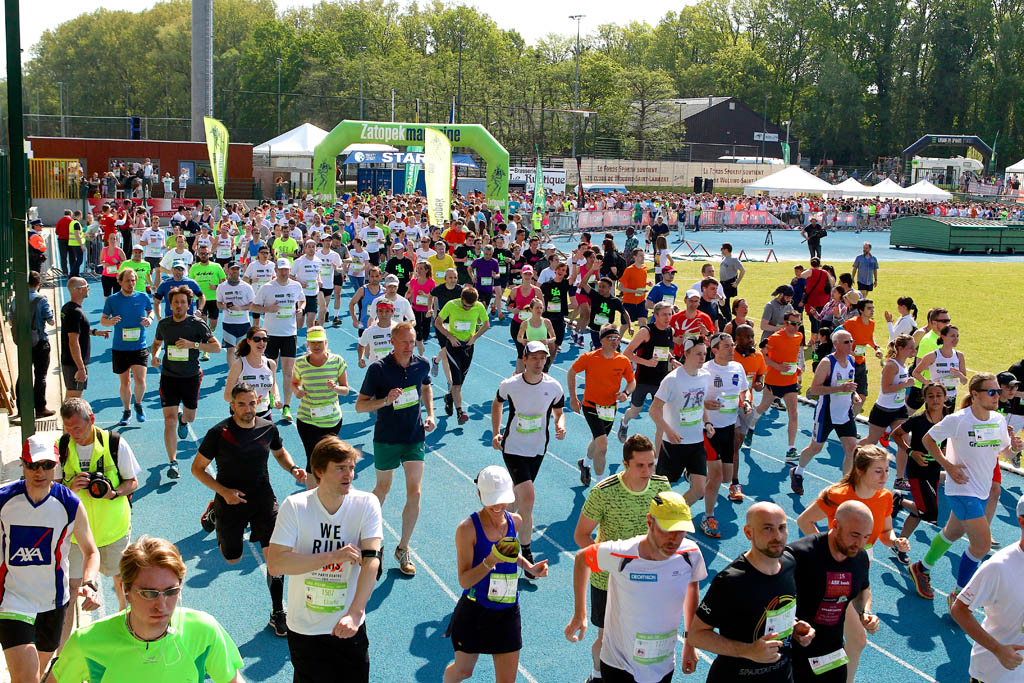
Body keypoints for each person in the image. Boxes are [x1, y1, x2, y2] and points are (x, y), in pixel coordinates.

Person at [52, 535, 245, 683]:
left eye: (171, 592)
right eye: (149, 593)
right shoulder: (86, 643)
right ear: (125, 590)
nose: (161, 605)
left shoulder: (204, 631)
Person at [193, 382, 304, 638]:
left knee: (276, 559)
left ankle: (278, 612)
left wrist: (293, 468)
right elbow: (197, 468)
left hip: (263, 498)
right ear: (232, 405)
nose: (248, 409)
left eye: (252, 403)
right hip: (229, 500)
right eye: (241, 404)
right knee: (232, 558)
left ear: (258, 402)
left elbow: (280, 453)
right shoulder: (218, 433)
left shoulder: (268, 428)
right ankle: (214, 512)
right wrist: (223, 493)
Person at [266, 436, 382, 682]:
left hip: (349, 624)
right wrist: (333, 556)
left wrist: (355, 613)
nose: (348, 475)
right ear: (318, 471)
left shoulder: (366, 503)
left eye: (351, 467)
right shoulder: (295, 506)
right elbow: (276, 564)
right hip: (305, 627)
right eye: (340, 468)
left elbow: (372, 560)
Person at [565, 491, 706, 683]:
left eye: (680, 531)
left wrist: (690, 642)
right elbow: (583, 558)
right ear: (650, 522)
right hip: (619, 663)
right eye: (667, 530)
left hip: (662, 663)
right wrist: (579, 613)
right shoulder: (622, 554)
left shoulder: (690, 554)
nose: (674, 539)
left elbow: (692, 589)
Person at [908, 373, 1023, 606]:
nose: (997, 396)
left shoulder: (998, 420)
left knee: (952, 533)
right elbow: (929, 440)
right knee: (981, 546)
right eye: (991, 392)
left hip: (982, 490)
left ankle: (921, 568)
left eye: (998, 391)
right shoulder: (958, 420)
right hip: (962, 490)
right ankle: (959, 596)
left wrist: (1014, 448)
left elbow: (1004, 453)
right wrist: (948, 466)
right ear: (975, 395)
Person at [796, 446, 909, 680]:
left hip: (859, 571)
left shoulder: (885, 497)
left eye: (887, 470)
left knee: (856, 641)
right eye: (878, 471)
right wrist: (827, 553)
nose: (885, 476)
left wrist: (895, 541)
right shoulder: (838, 494)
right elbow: (804, 520)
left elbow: (885, 532)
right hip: (834, 576)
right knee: (850, 639)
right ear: (859, 470)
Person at [0, 435, 102, 683]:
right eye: (33, 465)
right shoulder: (4, 499)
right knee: (27, 678)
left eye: (47, 465)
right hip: (13, 601)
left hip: (53, 604)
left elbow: (91, 551)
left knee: (36, 674)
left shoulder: (69, 504)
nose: (40, 472)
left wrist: (89, 583)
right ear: (22, 464)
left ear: (57, 464)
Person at [572, 435, 671, 683]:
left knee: (642, 636)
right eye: (640, 465)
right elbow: (581, 535)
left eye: (651, 465)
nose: (647, 471)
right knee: (607, 638)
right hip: (608, 581)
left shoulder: (661, 488)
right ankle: (597, 675)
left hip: (647, 578)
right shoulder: (604, 492)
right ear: (625, 464)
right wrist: (610, 561)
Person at [443, 466, 549, 683]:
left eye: (503, 500)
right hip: (475, 610)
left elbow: (510, 553)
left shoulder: (515, 521)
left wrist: (529, 567)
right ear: (480, 494)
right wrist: (489, 562)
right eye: (493, 501)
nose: (499, 506)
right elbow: (464, 580)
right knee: (463, 672)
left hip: (507, 610)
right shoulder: (467, 529)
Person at [689, 502, 816, 682]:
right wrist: (748, 651)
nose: (777, 536)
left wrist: (793, 626)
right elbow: (697, 635)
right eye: (767, 528)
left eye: (782, 528)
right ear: (749, 533)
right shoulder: (730, 581)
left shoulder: (790, 563)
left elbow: (770, 608)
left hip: (782, 676)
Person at [55, 397, 140, 648]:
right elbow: (52, 489)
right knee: (70, 592)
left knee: (123, 585)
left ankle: (129, 638)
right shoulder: (61, 446)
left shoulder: (115, 443)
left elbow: (132, 482)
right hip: (76, 536)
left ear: (91, 420)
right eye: (68, 428)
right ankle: (63, 653)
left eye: (77, 428)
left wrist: (113, 493)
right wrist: (69, 487)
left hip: (113, 532)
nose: (73, 433)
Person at [355, 322, 435, 577]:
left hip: (414, 436)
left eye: (412, 341)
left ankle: (403, 548)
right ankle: (362, 534)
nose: (409, 346)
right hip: (387, 438)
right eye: (404, 342)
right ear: (392, 342)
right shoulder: (378, 369)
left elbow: (426, 386)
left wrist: (430, 414)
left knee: (416, 492)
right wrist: (385, 401)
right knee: (383, 488)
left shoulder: (422, 364)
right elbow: (360, 406)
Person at [491, 340, 566, 578]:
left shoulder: (554, 386)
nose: (539, 362)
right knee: (529, 496)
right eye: (534, 358)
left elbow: (559, 412)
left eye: (543, 358)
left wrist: (560, 425)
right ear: (524, 359)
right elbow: (497, 403)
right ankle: (526, 552)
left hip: (537, 449)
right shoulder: (510, 384)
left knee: (516, 499)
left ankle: (499, 532)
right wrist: (496, 432)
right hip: (513, 448)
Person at [789, 501, 875, 683]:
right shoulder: (799, 554)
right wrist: (792, 625)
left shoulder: (859, 558)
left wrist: (865, 612)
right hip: (793, 652)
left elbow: (863, 589)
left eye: (866, 537)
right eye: (855, 535)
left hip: (832, 653)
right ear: (835, 525)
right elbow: (768, 596)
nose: (860, 543)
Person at [951, 492, 1024, 683]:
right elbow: (959, 609)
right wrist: (998, 649)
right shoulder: (999, 567)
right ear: (1022, 522)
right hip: (995, 674)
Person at [150, 285, 221, 480]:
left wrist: (193, 345)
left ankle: (183, 420)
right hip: (169, 377)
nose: (179, 305)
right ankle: (173, 462)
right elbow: (156, 344)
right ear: (170, 304)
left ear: (189, 305)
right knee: (169, 419)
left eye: (183, 302)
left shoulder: (197, 324)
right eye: (176, 302)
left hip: (191, 377)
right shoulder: (164, 324)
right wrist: (155, 355)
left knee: (190, 417)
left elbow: (216, 347)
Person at [790, 329, 861, 496]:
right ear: (836, 344)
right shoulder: (827, 363)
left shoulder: (851, 360)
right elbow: (814, 389)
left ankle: (845, 486)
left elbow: (849, 384)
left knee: (852, 448)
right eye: (846, 342)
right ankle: (798, 471)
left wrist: (854, 394)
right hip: (826, 414)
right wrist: (840, 388)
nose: (851, 344)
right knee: (816, 448)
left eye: (851, 341)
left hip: (844, 413)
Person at [569, 325, 636, 487]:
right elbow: (572, 372)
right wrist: (573, 397)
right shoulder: (589, 358)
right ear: (602, 341)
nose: (614, 341)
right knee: (603, 446)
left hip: (610, 408)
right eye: (610, 338)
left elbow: (632, 381)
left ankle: (585, 463)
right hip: (591, 406)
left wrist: (626, 393)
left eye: (617, 338)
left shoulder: (623, 360)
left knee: (598, 440)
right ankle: (599, 485)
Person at [650, 338, 715, 504]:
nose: (702, 358)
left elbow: (700, 403)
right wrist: (668, 430)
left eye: (704, 354)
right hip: (674, 444)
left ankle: (675, 514)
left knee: (699, 490)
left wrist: (707, 422)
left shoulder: (705, 376)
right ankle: (654, 516)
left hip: (696, 442)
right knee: (661, 493)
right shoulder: (672, 380)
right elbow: (654, 410)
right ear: (686, 353)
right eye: (698, 354)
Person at [701, 332, 752, 537]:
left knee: (725, 478)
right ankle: (708, 516)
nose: (732, 349)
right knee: (716, 478)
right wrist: (706, 404)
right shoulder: (706, 370)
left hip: (729, 426)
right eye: (727, 346)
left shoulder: (737, 367)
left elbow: (744, 390)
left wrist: (746, 401)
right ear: (714, 350)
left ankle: (696, 475)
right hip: (710, 428)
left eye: (732, 345)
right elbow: (695, 396)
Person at [890, 381, 947, 559]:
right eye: (931, 396)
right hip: (917, 471)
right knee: (928, 513)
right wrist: (910, 452)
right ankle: (900, 501)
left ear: (945, 398)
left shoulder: (948, 420)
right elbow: (895, 434)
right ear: (925, 399)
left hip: (934, 470)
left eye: (939, 395)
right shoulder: (917, 420)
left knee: (921, 512)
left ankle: (900, 544)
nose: (935, 399)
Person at [252, 258, 305, 423]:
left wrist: (300, 308)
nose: (284, 272)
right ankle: (272, 398)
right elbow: (253, 307)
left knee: (288, 372)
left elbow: (302, 300)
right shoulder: (267, 288)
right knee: (270, 371)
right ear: (275, 271)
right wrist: (269, 309)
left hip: (290, 334)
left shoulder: (296, 286)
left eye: (286, 269)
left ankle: (287, 407)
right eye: (281, 269)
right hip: (271, 335)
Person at [101, 268, 155, 427]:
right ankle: (126, 410)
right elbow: (103, 320)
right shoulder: (112, 300)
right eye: (127, 281)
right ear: (120, 282)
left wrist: (150, 319)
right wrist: (110, 322)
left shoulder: (143, 296)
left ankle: (138, 404)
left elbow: (151, 311)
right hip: (120, 347)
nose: (131, 284)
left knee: (140, 379)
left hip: (139, 346)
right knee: (125, 382)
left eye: (133, 280)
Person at [292, 326, 350, 470]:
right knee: (312, 461)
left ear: (326, 342)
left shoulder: (337, 361)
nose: (316, 346)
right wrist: (297, 392)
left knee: (328, 460)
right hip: (307, 419)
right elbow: (294, 383)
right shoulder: (300, 363)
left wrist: (336, 388)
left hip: (331, 420)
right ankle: (312, 485)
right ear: (307, 343)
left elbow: (345, 390)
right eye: (312, 342)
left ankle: (325, 485)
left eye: (319, 342)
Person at [436, 286, 490, 424]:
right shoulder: (451, 305)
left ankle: (449, 397)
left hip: (468, 347)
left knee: (460, 382)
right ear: (461, 299)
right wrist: (450, 337)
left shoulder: (478, 306)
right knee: (457, 382)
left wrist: (475, 337)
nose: (468, 308)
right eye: (465, 306)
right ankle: (460, 412)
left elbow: (486, 324)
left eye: (470, 306)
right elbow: (438, 323)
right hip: (453, 347)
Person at [758, 309, 804, 459]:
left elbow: (792, 356)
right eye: (793, 323)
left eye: (798, 323)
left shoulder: (799, 336)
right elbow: (763, 355)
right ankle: (749, 425)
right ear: (785, 323)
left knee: (794, 413)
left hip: (790, 381)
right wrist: (777, 366)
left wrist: (796, 368)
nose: (796, 326)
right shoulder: (775, 338)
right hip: (773, 381)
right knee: (763, 407)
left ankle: (791, 449)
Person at [12, 271, 56, 417]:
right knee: (40, 375)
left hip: (23, 341)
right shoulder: (42, 300)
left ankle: (22, 408)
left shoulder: (17, 299)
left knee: (23, 374)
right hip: (40, 341)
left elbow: (11, 320)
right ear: (38, 284)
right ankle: (40, 407)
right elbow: (51, 320)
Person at [860, 334, 915, 446]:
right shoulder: (891, 366)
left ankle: (904, 460)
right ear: (900, 348)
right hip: (883, 410)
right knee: (872, 441)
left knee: (904, 442)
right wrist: (905, 385)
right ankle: (854, 453)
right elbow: (886, 389)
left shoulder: (904, 365)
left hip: (899, 409)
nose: (914, 350)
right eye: (911, 348)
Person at [60, 277, 109, 399]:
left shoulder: (67, 308)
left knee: (71, 397)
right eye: (86, 286)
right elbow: (73, 341)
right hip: (74, 363)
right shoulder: (75, 312)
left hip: (70, 361)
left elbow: (76, 329)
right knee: (74, 398)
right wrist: (81, 368)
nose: (88, 288)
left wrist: (95, 332)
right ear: (79, 290)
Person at [223, 325, 279, 419]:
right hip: (243, 417)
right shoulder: (239, 365)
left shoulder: (270, 364)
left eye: (265, 339)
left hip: (265, 415)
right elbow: (227, 396)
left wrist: (276, 397)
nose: (261, 342)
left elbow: (273, 385)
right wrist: (248, 402)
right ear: (248, 341)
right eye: (257, 339)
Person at [912, 324, 967, 411]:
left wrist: (959, 375)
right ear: (943, 336)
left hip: (951, 397)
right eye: (952, 336)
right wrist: (928, 383)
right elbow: (915, 373)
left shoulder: (959, 355)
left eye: (957, 336)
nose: (956, 339)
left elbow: (964, 381)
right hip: (935, 398)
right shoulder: (932, 356)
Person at [216, 261, 256, 365]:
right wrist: (224, 306)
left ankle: (243, 371)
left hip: (243, 323)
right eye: (233, 269)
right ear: (227, 271)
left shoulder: (247, 287)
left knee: (243, 350)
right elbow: (219, 304)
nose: (235, 271)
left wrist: (239, 308)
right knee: (230, 349)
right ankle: (232, 371)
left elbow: (252, 304)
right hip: (228, 323)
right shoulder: (221, 287)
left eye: (237, 269)